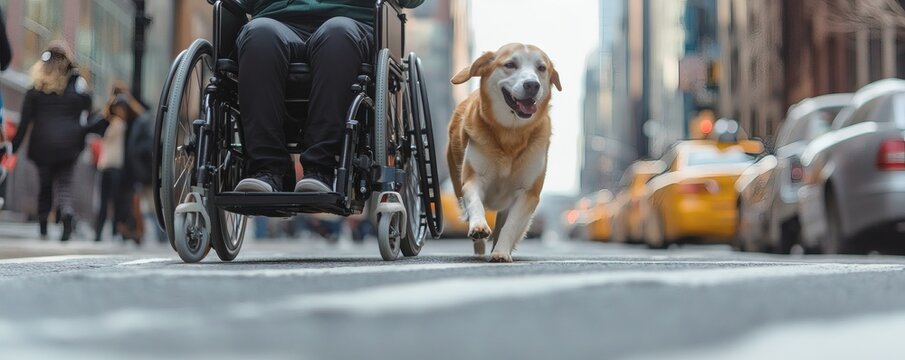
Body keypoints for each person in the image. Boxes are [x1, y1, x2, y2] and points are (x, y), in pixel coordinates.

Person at [233, 0, 424, 194]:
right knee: (259, 35)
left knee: (338, 35)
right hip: (275, 18)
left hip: (350, 20)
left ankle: (320, 169)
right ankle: (267, 170)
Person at [7, 41, 99, 241]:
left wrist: (12, 148)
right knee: (65, 183)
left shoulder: (36, 89)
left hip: (43, 143)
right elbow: (89, 107)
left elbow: (24, 123)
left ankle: (43, 227)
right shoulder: (76, 85)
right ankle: (66, 211)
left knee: (45, 185)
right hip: (69, 144)